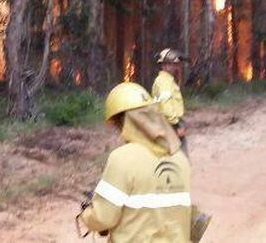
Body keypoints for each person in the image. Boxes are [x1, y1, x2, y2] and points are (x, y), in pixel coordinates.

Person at [77, 81, 203, 242]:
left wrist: (86, 214)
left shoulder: (122, 158)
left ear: (125, 122)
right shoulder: (179, 157)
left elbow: (104, 218)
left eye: (117, 124)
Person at [151, 48, 186, 148]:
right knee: (178, 158)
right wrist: (176, 126)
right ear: (163, 65)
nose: (175, 67)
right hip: (169, 125)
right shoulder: (164, 82)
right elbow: (166, 107)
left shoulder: (168, 80)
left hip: (169, 123)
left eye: (176, 64)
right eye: (171, 64)